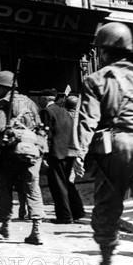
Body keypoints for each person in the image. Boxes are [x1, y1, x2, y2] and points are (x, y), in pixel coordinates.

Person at [77, 22, 133, 265]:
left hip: (112, 148)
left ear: (103, 51)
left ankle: (106, 264)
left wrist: (78, 155)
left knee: (107, 206)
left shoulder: (96, 80)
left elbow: (87, 121)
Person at [0, 70, 45, 245]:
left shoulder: (4, 102)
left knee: (3, 188)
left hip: (11, 153)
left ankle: (5, 224)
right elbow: (39, 127)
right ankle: (37, 229)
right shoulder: (31, 102)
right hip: (31, 152)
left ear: (4, 86)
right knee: (33, 189)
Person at [38, 89, 85, 224]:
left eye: (40, 98)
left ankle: (64, 216)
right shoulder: (64, 111)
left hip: (56, 153)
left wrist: (44, 155)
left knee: (57, 185)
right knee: (67, 182)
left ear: (46, 98)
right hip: (69, 151)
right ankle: (77, 211)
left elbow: (46, 135)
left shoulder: (46, 112)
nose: (39, 101)